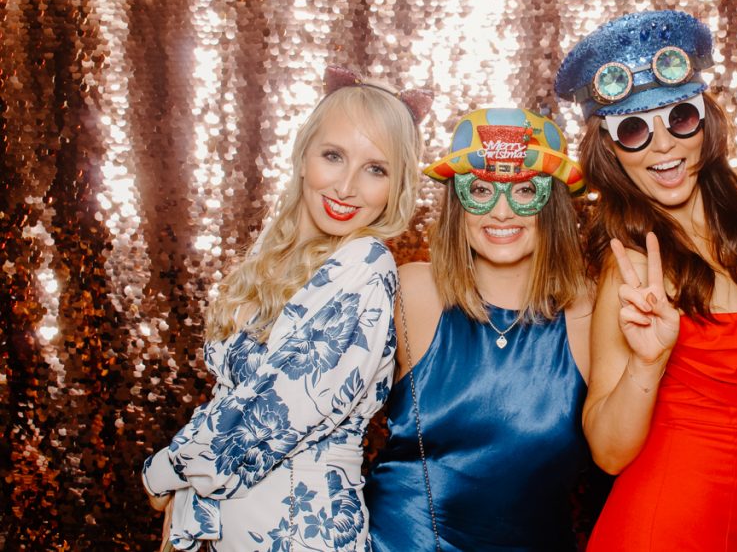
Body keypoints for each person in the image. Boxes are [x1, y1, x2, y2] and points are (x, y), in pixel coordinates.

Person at [554, 10, 737, 551]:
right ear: (610, 151)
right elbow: (608, 453)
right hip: (664, 521)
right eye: (635, 130)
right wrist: (647, 361)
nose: (663, 146)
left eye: (680, 118)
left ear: (704, 122)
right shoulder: (633, 270)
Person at [141, 67, 429, 551]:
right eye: (333, 156)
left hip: (299, 530)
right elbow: (226, 401)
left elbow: (269, 413)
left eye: (376, 169)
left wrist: (164, 473)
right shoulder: (272, 257)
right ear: (303, 156)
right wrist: (188, 502)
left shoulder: (365, 264)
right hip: (224, 526)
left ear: (395, 187)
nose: (346, 186)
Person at [364, 107, 596, 551]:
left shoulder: (589, 309)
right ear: (457, 203)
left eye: (526, 190)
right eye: (482, 190)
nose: (502, 212)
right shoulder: (413, 290)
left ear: (554, 207)